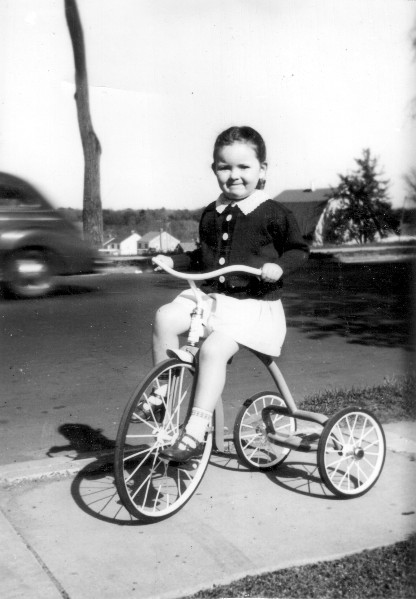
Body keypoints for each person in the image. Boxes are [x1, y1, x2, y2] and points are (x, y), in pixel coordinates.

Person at [137, 125, 309, 461]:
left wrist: (279, 267)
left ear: (262, 170)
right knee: (165, 316)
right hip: (214, 303)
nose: (234, 175)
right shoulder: (211, 213)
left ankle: (195, 430)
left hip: (254, 308)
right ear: (214, 169)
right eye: (224, 167)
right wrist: (171, 260)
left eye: (244, 167)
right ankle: (162, 394)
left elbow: (298, 250)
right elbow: (199, 258)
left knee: (213, 350)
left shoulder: (274, 212)